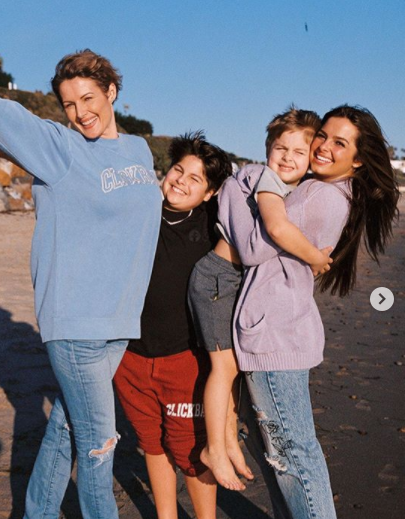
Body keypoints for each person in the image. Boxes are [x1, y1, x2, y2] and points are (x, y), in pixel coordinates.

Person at [0, 50, 162, 519]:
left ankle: (36, 512)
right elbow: (2, 112)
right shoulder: (61, 146)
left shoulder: (138, 150)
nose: (80, 112)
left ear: (112, 92)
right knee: (99, 445)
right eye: (69, 103)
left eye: (89, 97)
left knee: (66, 428)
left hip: (120, 320)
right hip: (75, 324)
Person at [219, 105, 399, 518]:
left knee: (292, 457)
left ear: (357, 158)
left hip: (274, 335)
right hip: (279, 330)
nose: (323, 147)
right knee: (282, 453)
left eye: (340, 143)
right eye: (323, 136)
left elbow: (251, 248)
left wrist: (235, 187)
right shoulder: (328, 191)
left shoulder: (319, 196)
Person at [188, 108, 332, 491]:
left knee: (235, 367)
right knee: (224, 368)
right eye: (280, 147)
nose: (287, 157)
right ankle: (213, 448)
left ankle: (228, 441)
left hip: (236, 282)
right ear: (267, 148)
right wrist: (304, 247)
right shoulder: (255, 178)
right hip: (219, 277)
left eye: (298, 152)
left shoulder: (289, 191)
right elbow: (252, 249)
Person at [113, 131, 241, 519]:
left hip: (184, 360)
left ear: (209, 193)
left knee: (190, 449)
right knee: (152, 444)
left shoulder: (215, 224)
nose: (181, 180)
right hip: (130, 358)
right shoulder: (139, 211)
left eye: (195, 178)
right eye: (178, 169)